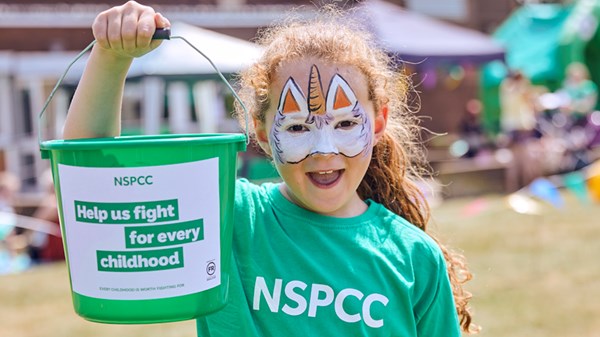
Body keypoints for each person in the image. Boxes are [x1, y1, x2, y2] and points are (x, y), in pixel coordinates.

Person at [63, 1, 477, 335]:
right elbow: (91, 177)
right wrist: (111, 59)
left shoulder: (414, 258)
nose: (324, 149)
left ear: (379, 123)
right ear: (261, 133)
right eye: (297, 127)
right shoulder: (229, 215)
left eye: (347, 123)